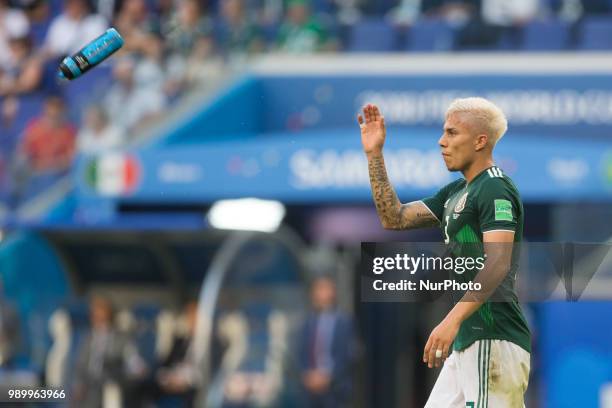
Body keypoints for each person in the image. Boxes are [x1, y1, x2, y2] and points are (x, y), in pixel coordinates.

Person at [358, 98, 531, 407]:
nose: (442, 141)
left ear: (480, 141)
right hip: (468, 344)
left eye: (452, 133)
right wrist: (374, 154)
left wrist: (450, 321)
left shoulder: (495, 187)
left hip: (493, 338)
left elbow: (499, 261)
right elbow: (393, 217)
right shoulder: (455, 193)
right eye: (443, 132)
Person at [71, 296, 147, 408]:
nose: (97, 319)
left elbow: (133, 360)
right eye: (94, 315)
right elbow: (80, 365)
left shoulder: (122, 338)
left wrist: (138, 368)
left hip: (111, 385)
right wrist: (77, 385)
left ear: (109, 315)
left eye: (101, 315)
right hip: (89, 386)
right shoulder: (87, 339)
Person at [298, 276, 356, 408]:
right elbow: (301, 354)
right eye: (317, 289)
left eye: (324, 289)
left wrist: (327, 377)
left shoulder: (344, 322)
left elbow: (347, 355)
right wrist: (308, 376)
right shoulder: (307, 323)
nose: (320, 293)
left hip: (336, 389)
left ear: (333, 292)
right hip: (310, 389)